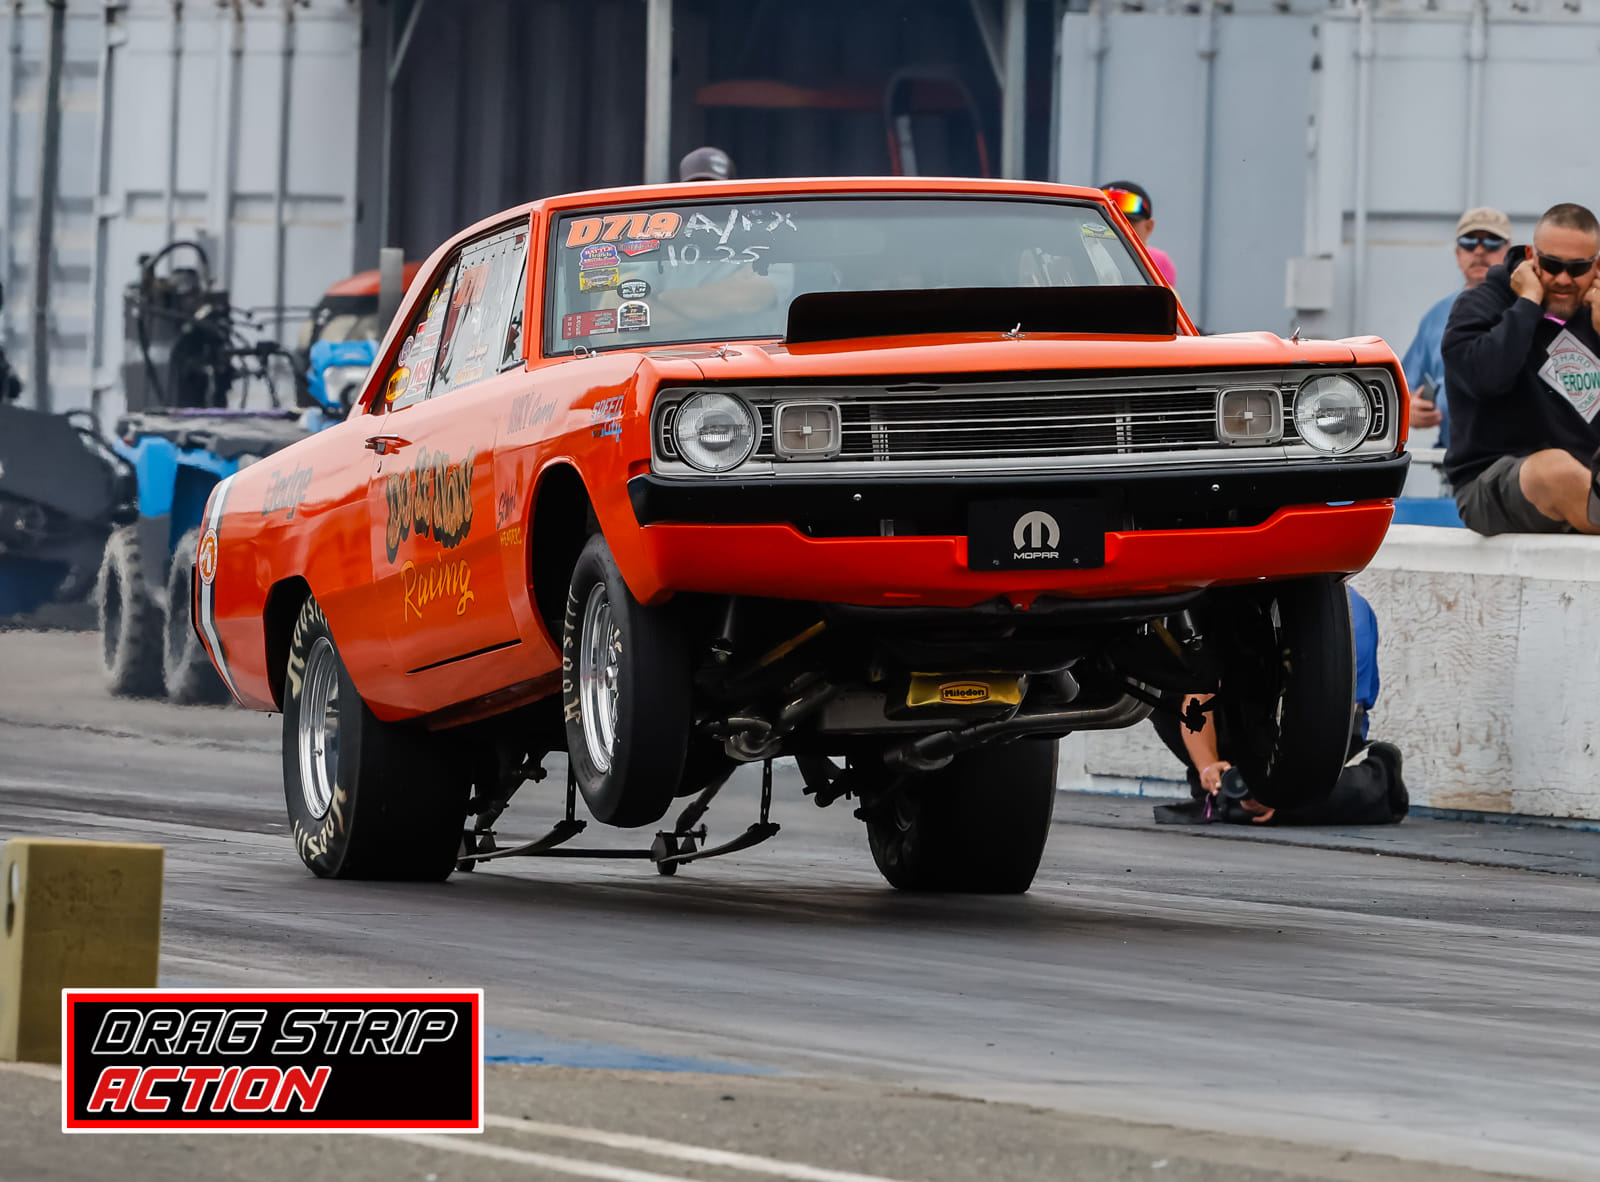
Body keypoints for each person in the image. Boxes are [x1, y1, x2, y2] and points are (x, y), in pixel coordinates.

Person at [1149, 588, 1406, 826]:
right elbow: (1198, 699)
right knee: (1161, 687)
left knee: (1276, 803)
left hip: (1320, 736)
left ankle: (1382, 778)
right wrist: (1207, 765)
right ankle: (1226, 785)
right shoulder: (1231, 600)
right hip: (1255, 719)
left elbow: (1325, 722)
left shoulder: (1344, 618)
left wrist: (1281, 792)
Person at [1441, 202, 1600, 536]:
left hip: (1589, 481)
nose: (1562, 279)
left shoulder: (1594, 313)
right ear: (1531, 256)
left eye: (1577, 268)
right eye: (1552, 264)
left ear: (1596, 266)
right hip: (1493, 482)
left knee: (1567, 475)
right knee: (1555, 471)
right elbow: (1485, 379)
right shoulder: (1483, 304)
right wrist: (1527, 304)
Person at [1400, 207, 1511, 454]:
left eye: (1492, 242)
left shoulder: (1526, 310)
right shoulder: (1436, 317)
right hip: (1456, 465)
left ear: (1508, 251)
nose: (1480, 250)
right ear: (1458, 253)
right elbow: (1405, 389)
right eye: (1469, 242)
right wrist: (1409, 411)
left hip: (1517, 466)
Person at [1099, 181, 1177, 287]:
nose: (1115, 230)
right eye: (1103, 222)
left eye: (1127, 223)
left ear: (1148, 227)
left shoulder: (1158, 263)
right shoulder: (1075, 256)